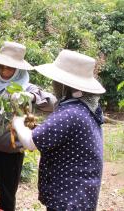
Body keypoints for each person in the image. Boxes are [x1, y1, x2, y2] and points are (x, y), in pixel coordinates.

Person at [0, 41, 56, 210]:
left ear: (18, 70)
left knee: (7, 195)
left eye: (9, 68)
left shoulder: (28, 88)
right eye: (1, 67)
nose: (4, 72)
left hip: (11, 150)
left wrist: (31, 97)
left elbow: (52, 103)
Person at [12, 50, 106, 210]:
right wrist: (35, 101)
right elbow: (66, 135)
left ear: (66, 86)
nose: (54, 84)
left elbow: (30, 142)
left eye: (57, 81)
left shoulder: (70, 113)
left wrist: (16, 121)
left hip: (68, 198)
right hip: (81, 195)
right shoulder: (85, 108)